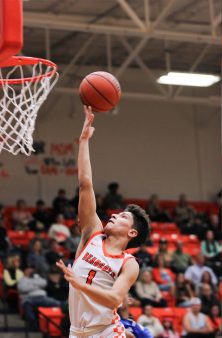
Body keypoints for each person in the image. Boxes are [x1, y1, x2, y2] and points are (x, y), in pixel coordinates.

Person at [56, 106, 150, 338]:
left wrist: (79, 285)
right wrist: (84, 140)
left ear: (132, 234)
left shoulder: (129, 263)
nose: (116, 215)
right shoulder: (92, 233)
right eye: (118, 213)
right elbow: (85, 185)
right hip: (77, 332)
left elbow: (114, 299)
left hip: (106, 331)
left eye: (124, 217)